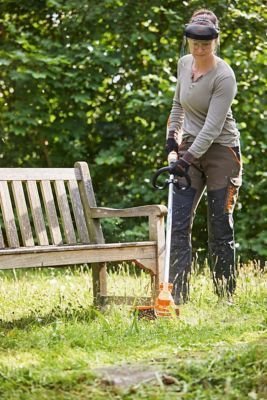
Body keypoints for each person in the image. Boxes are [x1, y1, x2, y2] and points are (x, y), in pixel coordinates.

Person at [165, 9, 242, 305]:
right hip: (189, 150)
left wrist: (185, 158)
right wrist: (172, 139)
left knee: (219, 224)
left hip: (222, 151)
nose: (199, 49)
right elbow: (177, 105)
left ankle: (225, 296)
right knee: (178, 221)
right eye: (194, 43)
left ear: (215, 41)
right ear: (188, 42)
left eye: (205, 44)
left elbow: (211, 128)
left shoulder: (224, 76)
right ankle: (176, 296)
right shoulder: (184, 64)